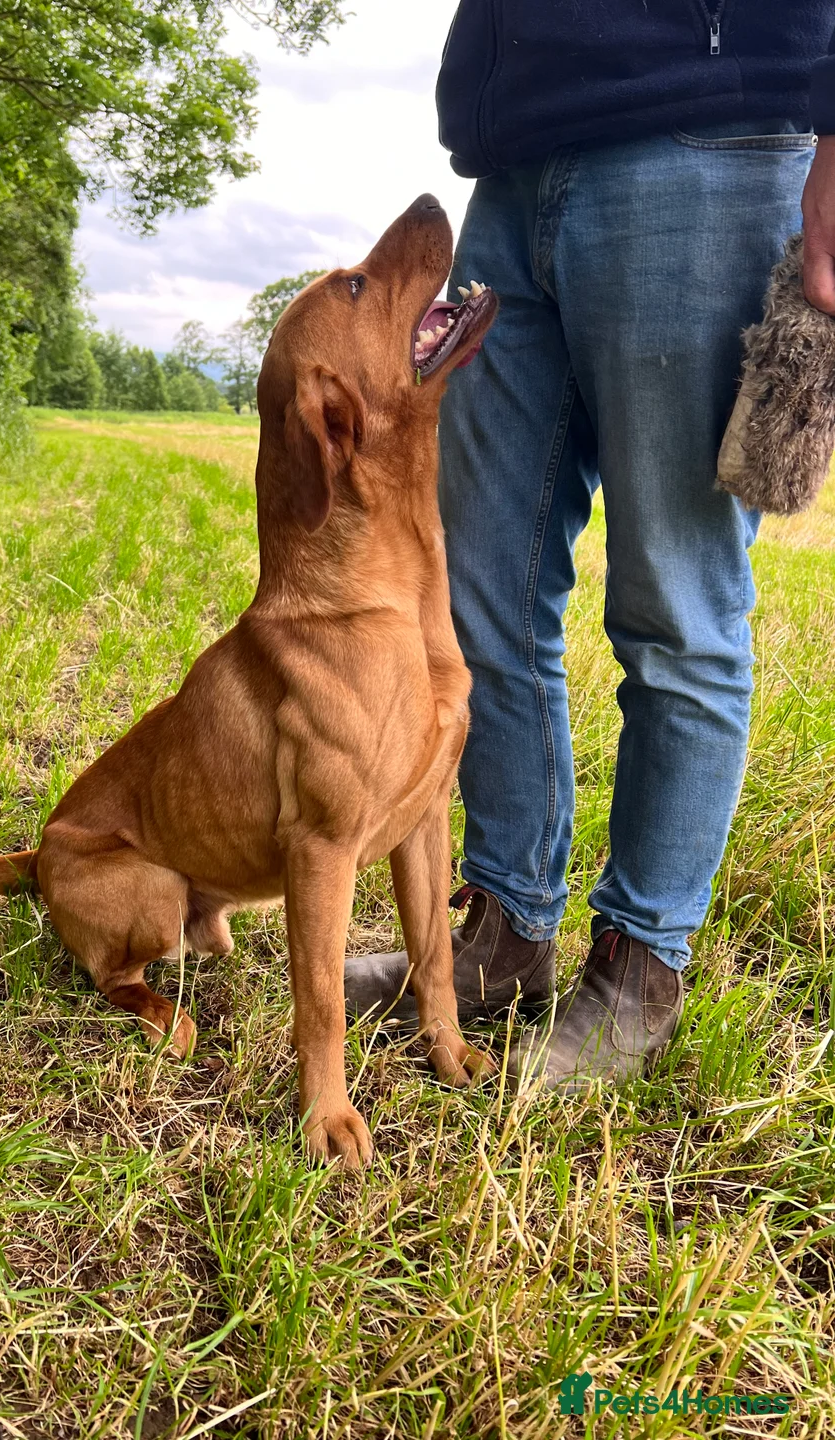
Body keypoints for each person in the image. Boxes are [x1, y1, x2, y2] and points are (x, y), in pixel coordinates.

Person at [344, 1, 835, 1090]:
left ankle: (640, 962)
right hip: (514, 165)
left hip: (712, 141)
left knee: (675, 602)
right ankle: (506, 934)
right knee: (478, 594)